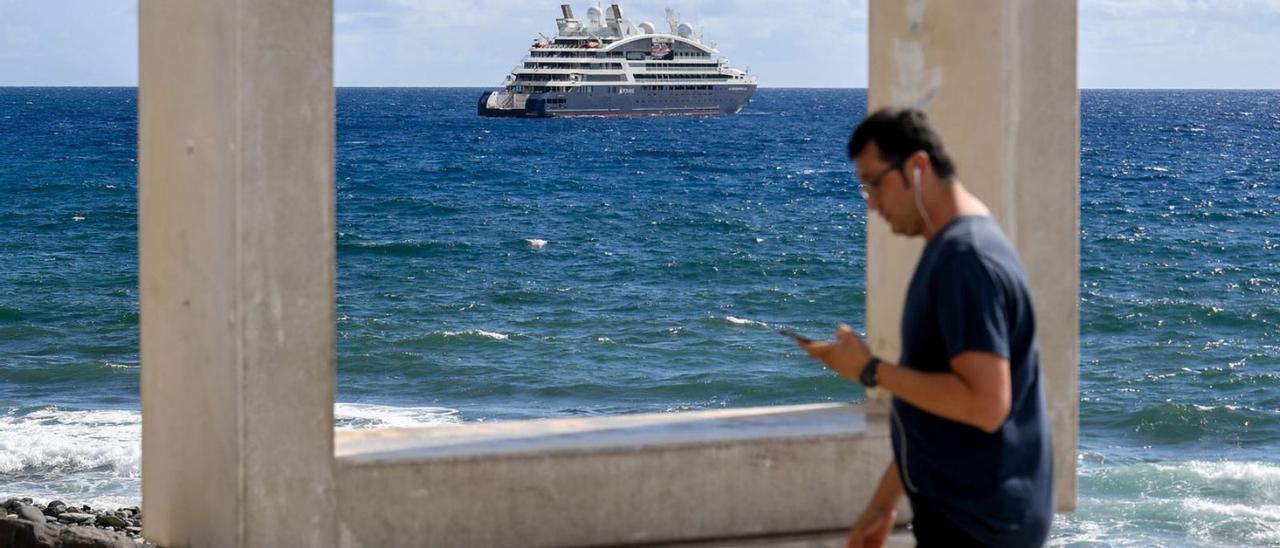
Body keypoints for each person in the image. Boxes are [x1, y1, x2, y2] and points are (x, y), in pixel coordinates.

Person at [798, 108, 1054, 548]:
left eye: (875, 184)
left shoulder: (964, 260)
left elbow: (986, 404)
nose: (872, 203)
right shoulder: (955, 248)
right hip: (972, 519)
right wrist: (883, 504)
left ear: (917, 167)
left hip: (980, 528)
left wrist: (869, 370)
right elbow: (935, 403)